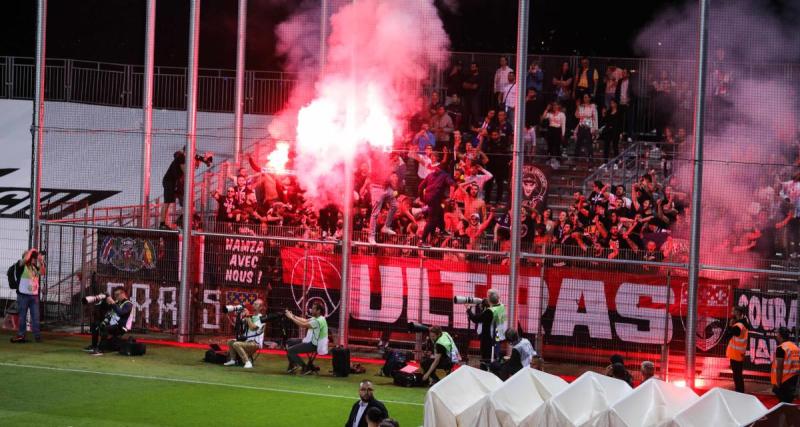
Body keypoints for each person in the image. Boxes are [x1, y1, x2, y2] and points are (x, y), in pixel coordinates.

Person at [11, 249, 46, 343]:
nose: (31, 257)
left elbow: (42, 272)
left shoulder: (33, 266)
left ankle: (37, 336)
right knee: (22, 316)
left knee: (36, 316)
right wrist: (32, 251)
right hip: (23, 296)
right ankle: (21, 335)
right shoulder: (20, 265)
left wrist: (41, 261)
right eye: (30, 256)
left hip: (33, 296)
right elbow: (25, 259)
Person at [285, 302, 329, 375]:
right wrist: (293, 315)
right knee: (289, 341)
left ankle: (305, 367)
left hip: (314, 345)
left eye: (314, 309)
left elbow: (303, 325)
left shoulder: (319, 321)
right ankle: (293, 365)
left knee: (290, 351)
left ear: (318, 311)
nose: (311, 310)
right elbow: (305, 320)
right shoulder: (317, 318)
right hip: (310, 341)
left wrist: (291, 317)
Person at [86, 287, 132, 355]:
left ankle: (100, 349)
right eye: (115, 295)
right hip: (113, 324)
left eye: (117, 294)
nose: (116, 297)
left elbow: (121, 313)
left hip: (122, 327)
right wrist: (103, 299)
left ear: (123, 294)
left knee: (105, 329)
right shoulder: (117, 302)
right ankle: (94, 346)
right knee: (95, 325)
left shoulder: (128, 304)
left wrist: (112, 303)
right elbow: (106, 309)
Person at [223, 299, 265, 369]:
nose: (253, 305)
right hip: (247, 341)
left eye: (256, 304)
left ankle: (247, 362)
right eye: (254, 303)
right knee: (230, 342)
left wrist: (247, 316)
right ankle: (233, 360)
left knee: (236, 344)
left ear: (261, 307)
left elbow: (253, 328)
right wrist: (231, 316)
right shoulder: (251, 316)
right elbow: (238, 327)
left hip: (255, 343)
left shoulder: (262, 318)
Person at [771, 327, 800, 403]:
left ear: (780, 336)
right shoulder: (795, 347)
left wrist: (778, 383)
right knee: (788, 401)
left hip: (784, 379)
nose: (776, 335)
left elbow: (779, 367)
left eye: (777, 333)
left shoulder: (781, 348)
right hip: (794, 378)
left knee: (784, 402)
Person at [726, 305, 749, 393]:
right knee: (738, 374)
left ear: (737, 312)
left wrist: (730, 325)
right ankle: (740, 391)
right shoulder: (744, 323)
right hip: (739, 353)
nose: (732, 312)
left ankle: (739, 391)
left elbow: (728, 335)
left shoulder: (738, 325)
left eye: (733, 310)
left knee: (737, 375)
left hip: (735, 354)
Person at [467, 299, 494, 365]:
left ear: (484, 306)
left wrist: (468, 309)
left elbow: (475, 319)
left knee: (485, 357)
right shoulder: (492, 311)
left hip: (487, 339)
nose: (480, 307)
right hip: (491, 337)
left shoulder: (488, 312)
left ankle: (485, 368)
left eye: (481, 306)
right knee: (488, 355)